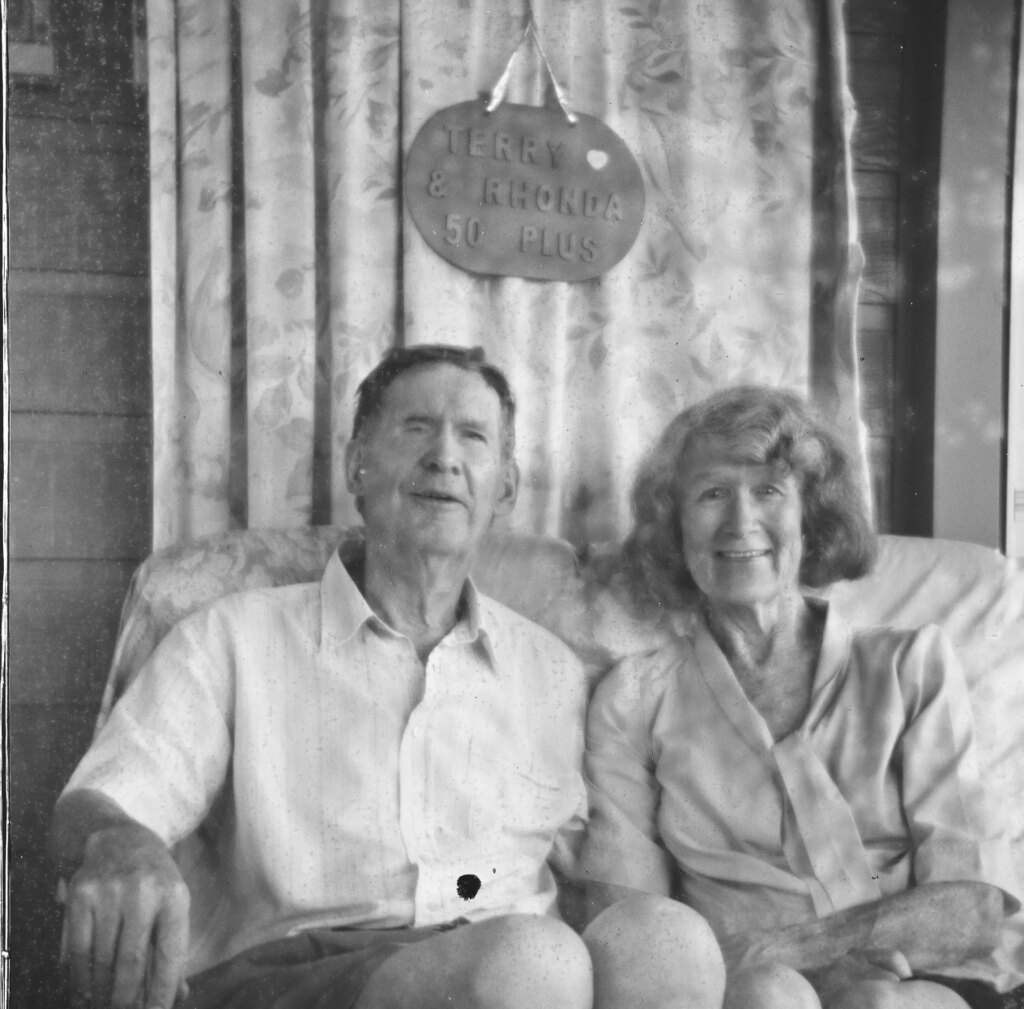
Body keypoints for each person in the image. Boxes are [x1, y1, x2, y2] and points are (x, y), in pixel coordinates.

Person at [51, 344, 727, 1009]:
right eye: (415, 428)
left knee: (668, 940)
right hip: (305, 971)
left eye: (472, 436)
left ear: (506, 489)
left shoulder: (550, 669)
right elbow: (104, 799)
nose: (445, 456)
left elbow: (604, 869)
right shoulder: (232, 637)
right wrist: (118, 841)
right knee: (529, 960)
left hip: (516, 961)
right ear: (357, 466)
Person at [579, 385, 1022, 1009]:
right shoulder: (633, 700)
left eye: (768, 491)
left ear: (810, 519)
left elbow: (973, 905)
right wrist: (777, 971)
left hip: (921, 984)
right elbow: (634, 931)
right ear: (673, 526)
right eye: (710, 495)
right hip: (743, 992)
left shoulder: (909, 665)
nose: (740, 523)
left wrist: (797, 949)